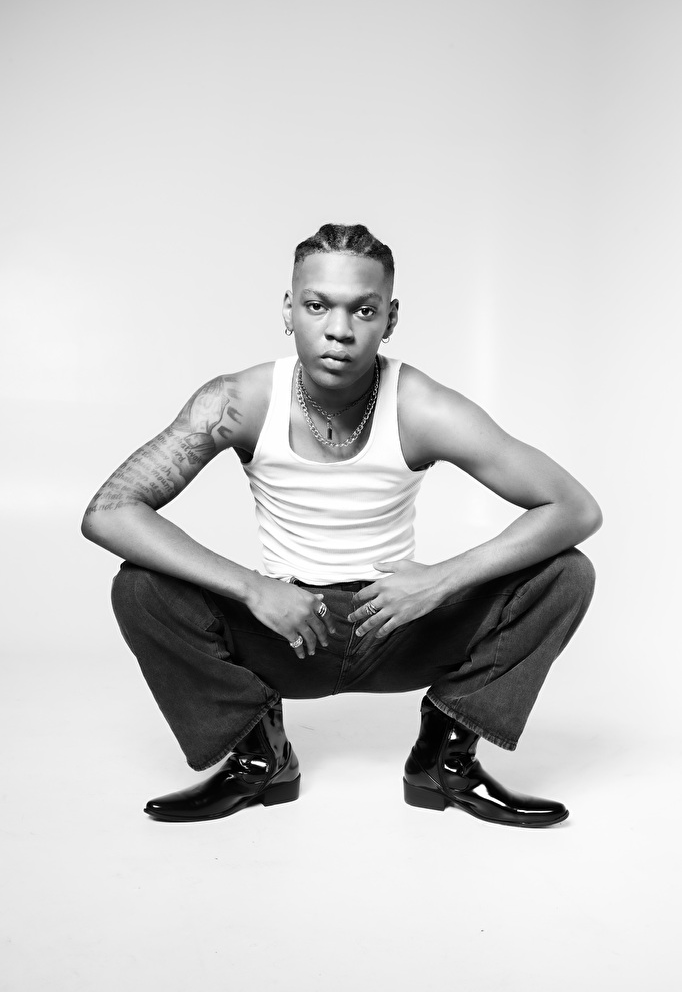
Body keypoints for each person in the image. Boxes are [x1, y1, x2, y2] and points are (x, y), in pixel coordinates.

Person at [81, 222, 601, 828]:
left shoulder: (423, 407)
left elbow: (574, 508)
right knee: (139, 587)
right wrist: (256, 589)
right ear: (288, 309)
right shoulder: (238, 401)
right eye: (317, 305)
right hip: (287, 628)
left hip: (398, 623)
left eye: (364, 310)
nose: (339, 330)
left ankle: (445, 760)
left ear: (390, 318)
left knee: (565, 574)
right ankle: (259, 758)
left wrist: (439, 581)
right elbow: (110, 512)